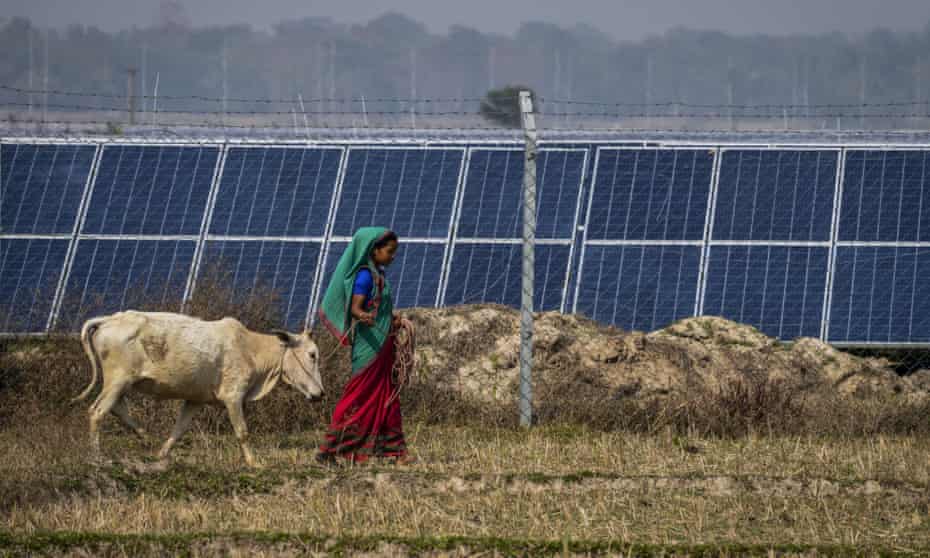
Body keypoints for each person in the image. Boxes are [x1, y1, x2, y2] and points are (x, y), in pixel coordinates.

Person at [315, 227, 416, 466]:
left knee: (387, 395)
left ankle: (395, 452)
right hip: (369, 347)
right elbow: (356, 308)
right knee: (358, 395)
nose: (393, 257)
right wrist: (363, 315)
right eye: (389, 252)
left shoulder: (378, 275)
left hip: (383, 344)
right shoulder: (365, 276)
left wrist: (393, 320)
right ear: (374, 250)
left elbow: (378, 307)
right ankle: (331, 448)